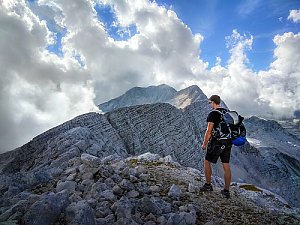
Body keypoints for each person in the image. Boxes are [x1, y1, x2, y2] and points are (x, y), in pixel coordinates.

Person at [200, 95, 232, 198]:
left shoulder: (213, 114)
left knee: (207, 161)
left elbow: (209, 131)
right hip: (228, 142)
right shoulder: (227, 112)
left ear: (213, 102)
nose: (210, 104)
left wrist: (204, 144)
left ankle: (208, 185)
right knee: (226, 165)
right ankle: (226, 191)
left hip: (217, 142)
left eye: (210, 103)